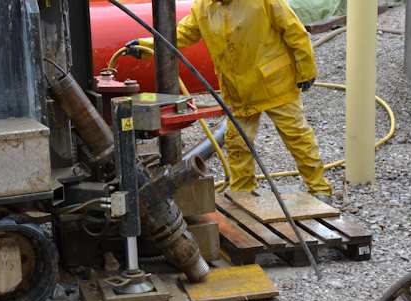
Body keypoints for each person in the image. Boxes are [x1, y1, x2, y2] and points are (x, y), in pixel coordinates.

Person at [126, 0, 333, 202]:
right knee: (238, 144)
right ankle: (242, 195)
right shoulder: (203, 8)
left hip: (275, 85)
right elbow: (180, 35)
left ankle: (319, 189)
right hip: (238, 92)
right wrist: (145, 45)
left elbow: (295, 32)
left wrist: (306, 71)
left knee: (297, 138)